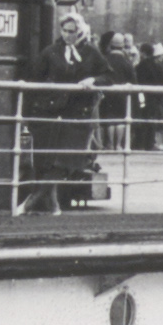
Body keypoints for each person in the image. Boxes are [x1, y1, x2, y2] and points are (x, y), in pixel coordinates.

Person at [24, 11, 106, 213]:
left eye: (72, 31)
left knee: (68, 160)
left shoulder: (91, 52)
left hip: (78, 114)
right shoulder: (51, 52)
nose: (68, 35)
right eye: (65, 31)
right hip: (51, 112)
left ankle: (33, 200)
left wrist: (93, 80)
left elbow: (108, 75)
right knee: (50, 161)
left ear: (80, 31)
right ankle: (52, 205)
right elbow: (34, 79)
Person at [133, 42, 163, 150]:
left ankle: (140, 143)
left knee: (143, 119)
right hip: (157, 97)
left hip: (143, 97)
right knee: (154, 120)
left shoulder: (140, 66)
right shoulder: (158, 66)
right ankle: (151, 143)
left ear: (143, 53)